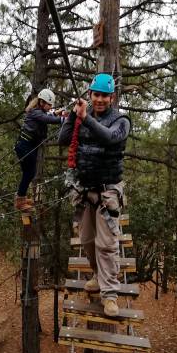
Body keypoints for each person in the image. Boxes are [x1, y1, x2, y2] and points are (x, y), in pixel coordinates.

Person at [59, 73, 131, 317]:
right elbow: (62, 139)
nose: (99, 100)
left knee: (107, 244)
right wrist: (73, 115)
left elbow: (109, 137)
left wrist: (85, 118)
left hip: (108, 191)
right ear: (90, 95)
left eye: (104, 96)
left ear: (112, 97)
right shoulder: (83, 118)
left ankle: (110, 295)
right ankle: (98, 276)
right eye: (95, 95)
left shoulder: (121, 121)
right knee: (88, 240)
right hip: (85, 190)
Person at [14, 88, 67, 210]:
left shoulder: (38, 111)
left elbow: (47, 116)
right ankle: (20, 201)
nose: (50, 107)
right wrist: (64, 119)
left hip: (27, 146)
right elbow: (46, 119)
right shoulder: (35, 113)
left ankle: (21, 197)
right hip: (25, 146)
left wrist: (56, 113)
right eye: (49, 105)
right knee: (29, 173)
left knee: (28, 173)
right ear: (42, 103)